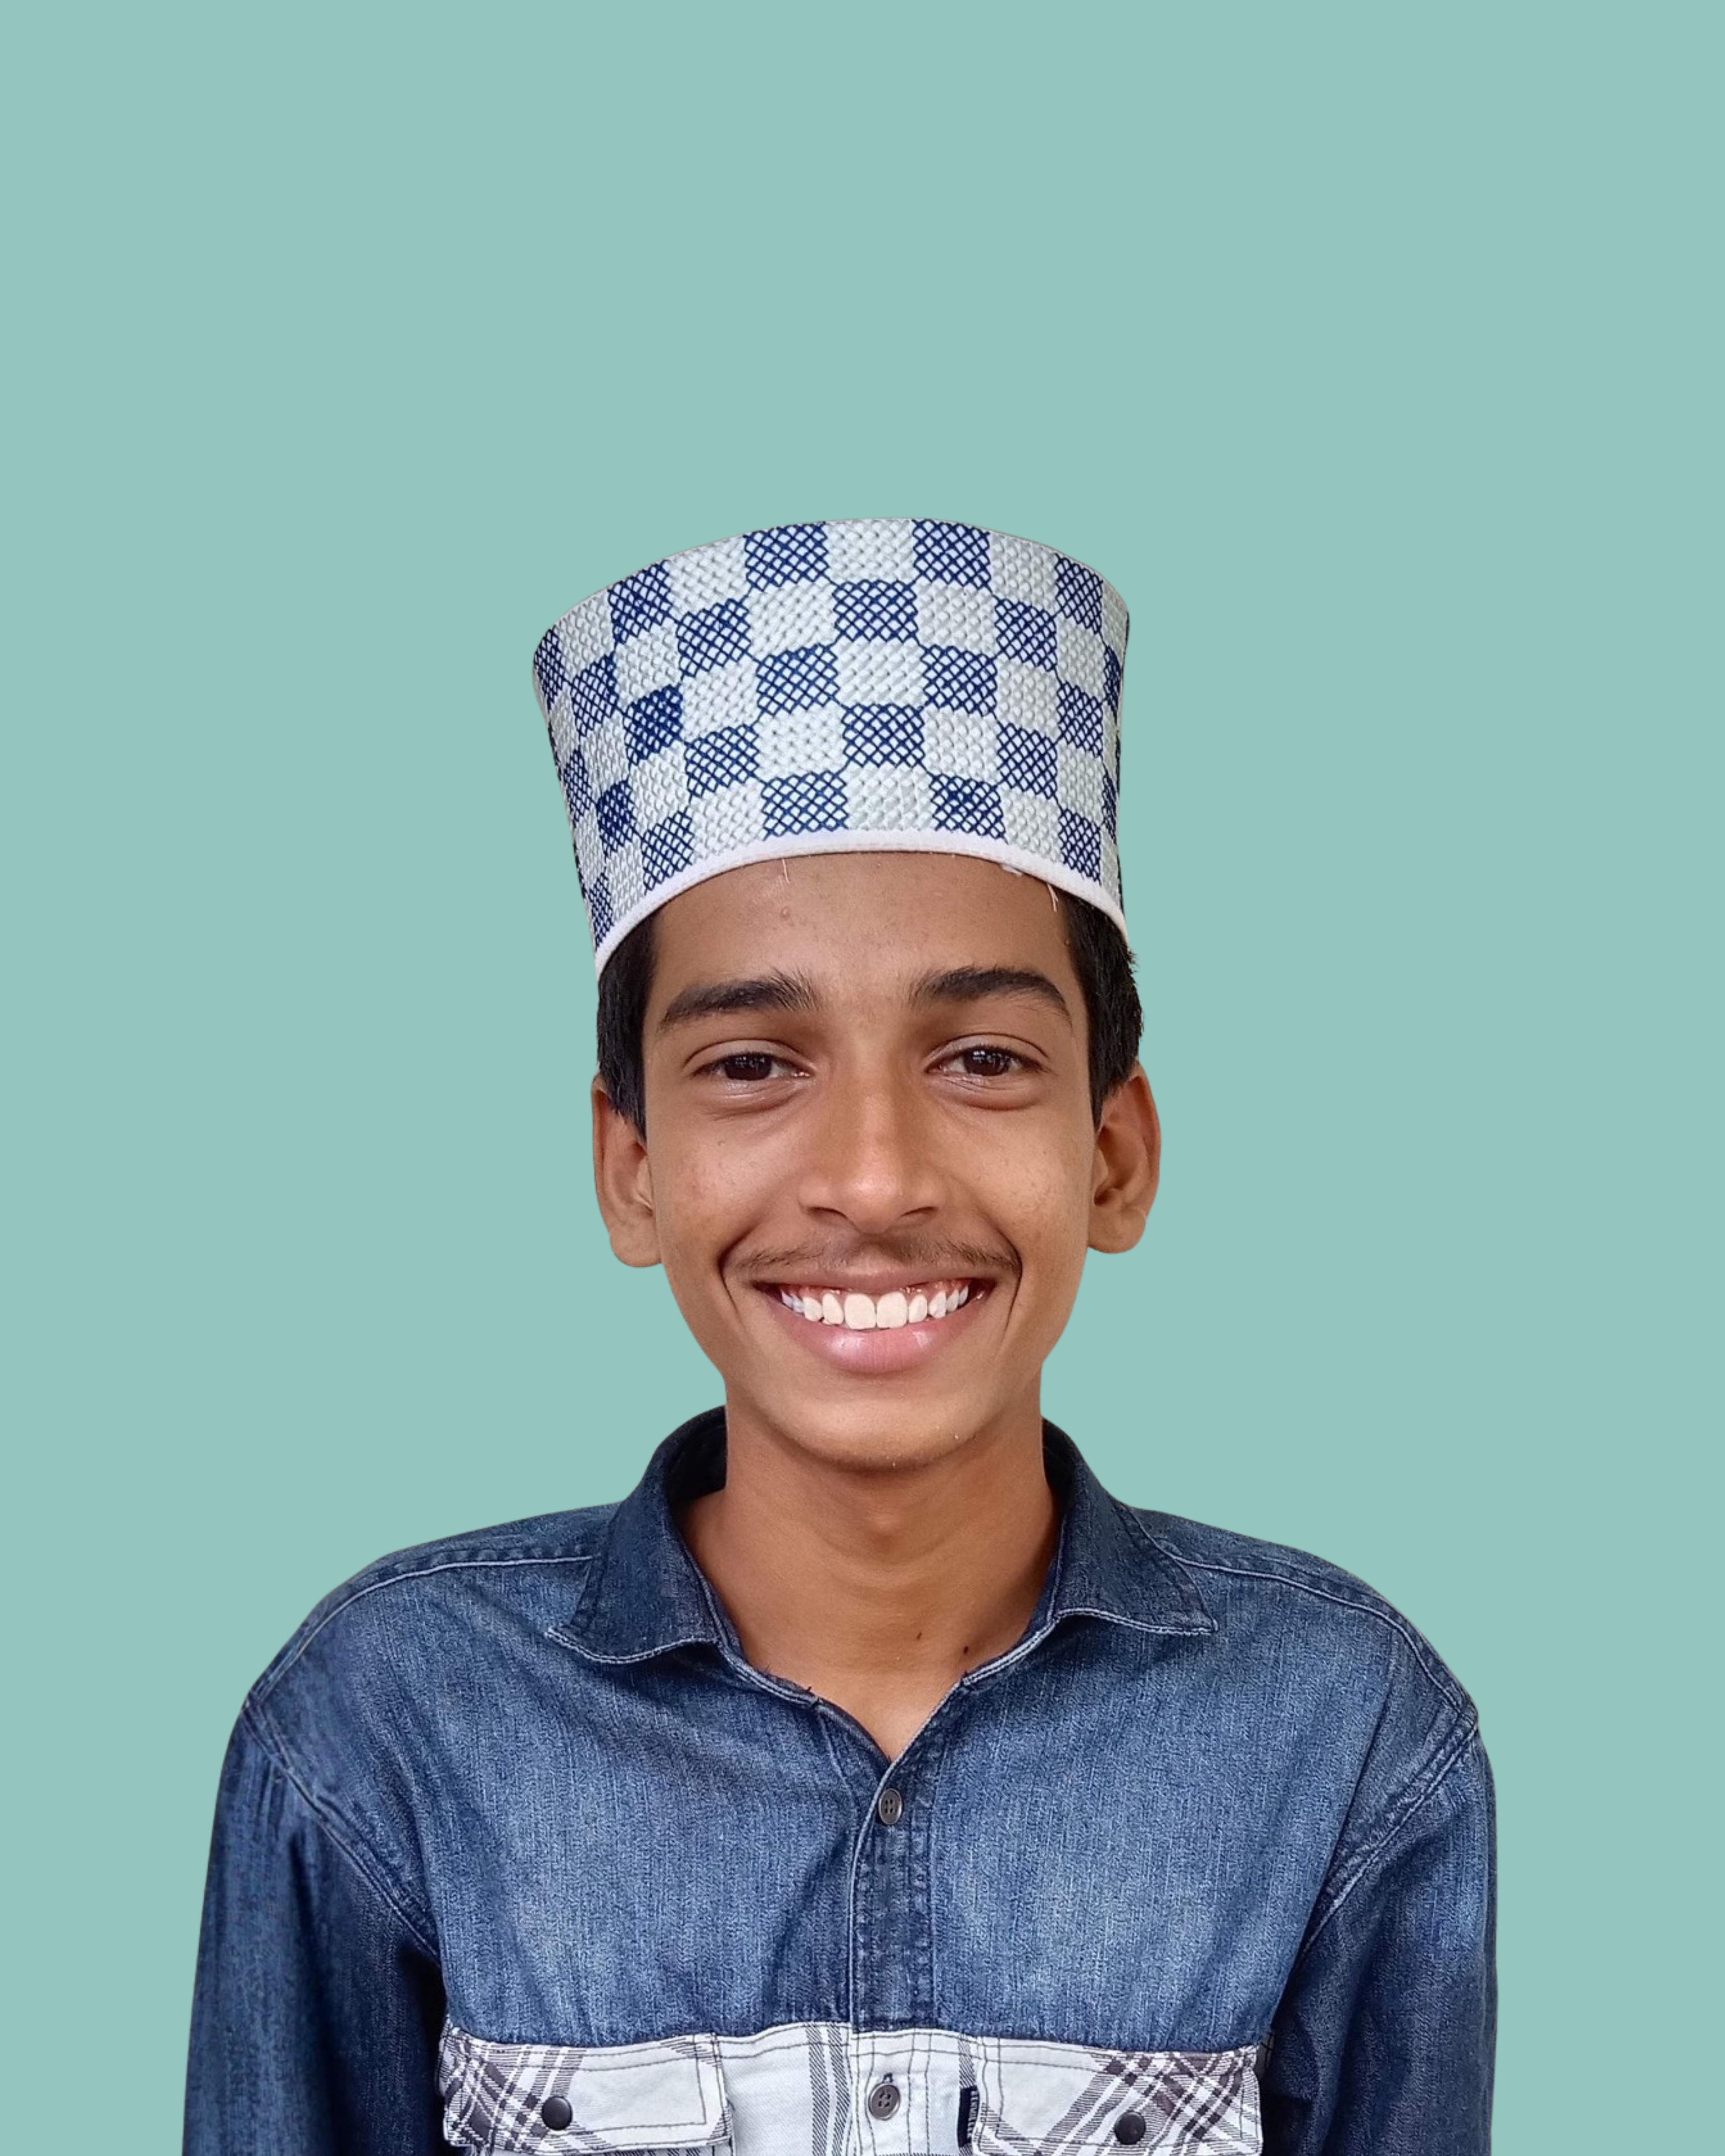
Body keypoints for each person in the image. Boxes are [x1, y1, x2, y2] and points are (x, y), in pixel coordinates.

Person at [185, 520, 1495, 2155]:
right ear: (631, 1165)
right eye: (752, 1064)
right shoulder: (383, 1728)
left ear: (1115, 1153)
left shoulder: (1347, 1735)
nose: (874, 1179)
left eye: (984, 1058)